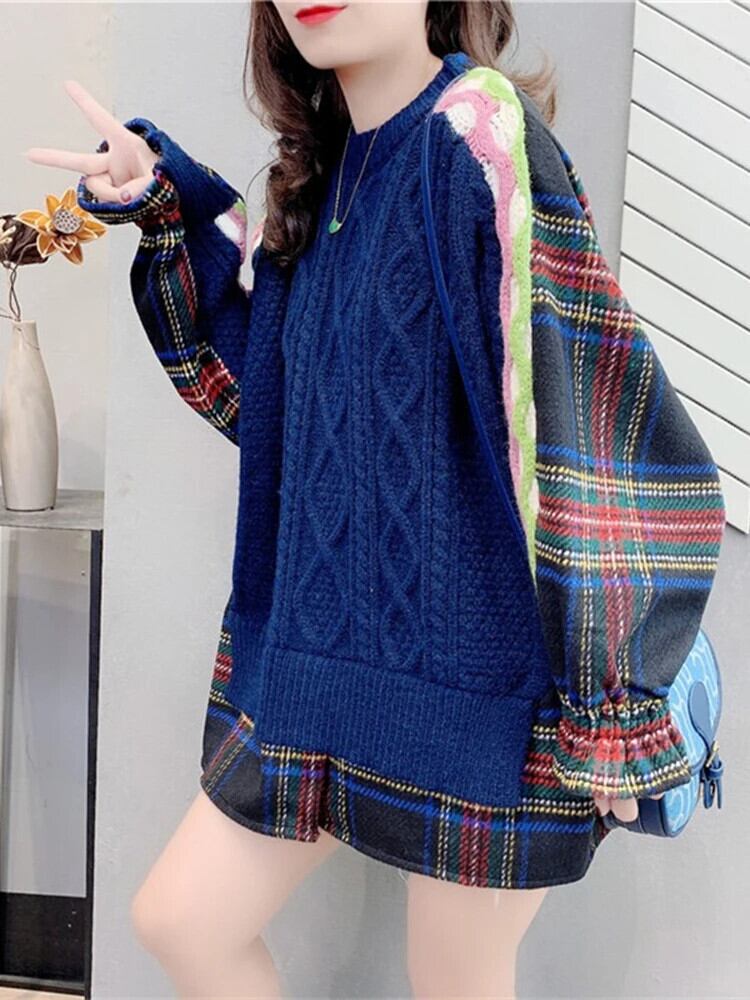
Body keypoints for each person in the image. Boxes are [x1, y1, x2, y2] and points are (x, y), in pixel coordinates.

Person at [26, 2, 726, 997]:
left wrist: (614, 700)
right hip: (325, 669)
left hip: (486, 698)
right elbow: (269, 401)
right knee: (182, 922)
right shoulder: (326, 176)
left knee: (453, 979)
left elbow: (582, 420)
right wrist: (164, 204)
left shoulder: (478, 135)